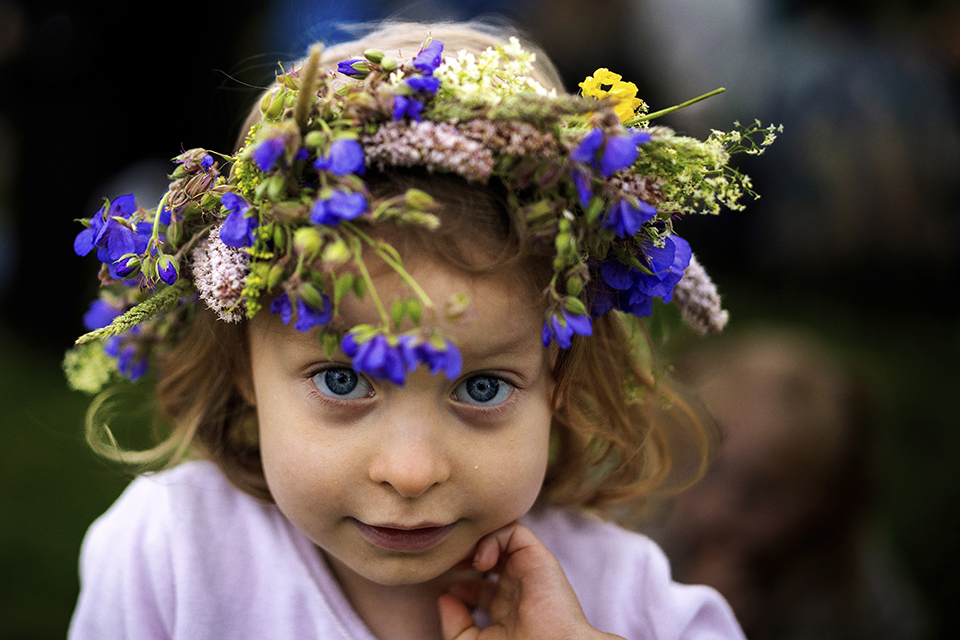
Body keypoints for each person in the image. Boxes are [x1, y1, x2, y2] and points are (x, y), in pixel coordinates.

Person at [64, 21, 777, 640]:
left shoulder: (619, 595)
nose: (410, 471)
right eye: (343, 379)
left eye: (483, 386)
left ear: (557, 377)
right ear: (245, 364)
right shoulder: (173, 556)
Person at [643, 326, 928, 640]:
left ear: (820, 500)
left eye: (759, 494)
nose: (716, 509)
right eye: (704, 469)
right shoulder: (639, 531)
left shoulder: (850, 587)